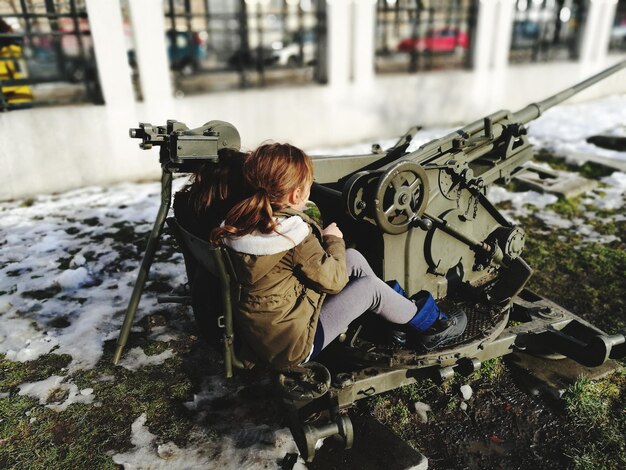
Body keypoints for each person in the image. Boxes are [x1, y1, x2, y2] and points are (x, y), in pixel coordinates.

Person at [210, 143, 467, 369]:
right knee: (369, 289)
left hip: (268, 333)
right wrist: (332, 239)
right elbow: (333, 281)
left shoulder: (244, 221)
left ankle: (397, 321)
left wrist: (334, 248)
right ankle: (431, 326)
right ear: (296, 195)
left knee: (352, 257)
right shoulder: (291, 235)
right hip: (293, 346)